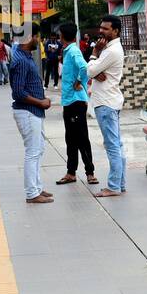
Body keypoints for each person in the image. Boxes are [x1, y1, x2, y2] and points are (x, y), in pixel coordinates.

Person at [9, 24, 54, 203]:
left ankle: (37, 187)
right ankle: (32, 193)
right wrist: (40, 102)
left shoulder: (25, 57)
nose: (39, 40)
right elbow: (18, 92)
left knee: (38, 149)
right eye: (37, 37)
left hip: (34, 111)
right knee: (33, 152)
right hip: (27, 112)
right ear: (29, 38)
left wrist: (42, 99)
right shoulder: (20, 60)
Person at [86, 14, 126, 197]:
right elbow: (95, 72)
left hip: (106, 104)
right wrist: (96, 69)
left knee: (112, 146)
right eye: (100, 27)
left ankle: (113, 186)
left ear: (115, 31)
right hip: (110, 102)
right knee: (117, 145)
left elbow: (90, 70)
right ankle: (120, 183)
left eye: (105, 28)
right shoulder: (109, 49)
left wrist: (94, 55)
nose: (101, 31)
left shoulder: (111, 50)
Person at [54, 22, 97, 186]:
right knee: (70, 138)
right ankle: (71, 172)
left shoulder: (73, 51)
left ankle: (90, 172)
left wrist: (80, 81)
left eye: (59, 35)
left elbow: (84, 68)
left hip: (76, 101)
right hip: (68, 101)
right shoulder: (67, 51)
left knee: (81, 138)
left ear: (63, 36)